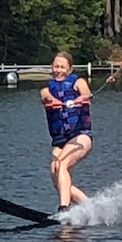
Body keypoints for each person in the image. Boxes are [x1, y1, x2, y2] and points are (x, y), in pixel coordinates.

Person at [40, 52, 93, 212]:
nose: (58, 70)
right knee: (57, 178)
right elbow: (46, 97)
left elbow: (86, 93)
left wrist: (81, 99)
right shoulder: (45, 89)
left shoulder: (79, 82)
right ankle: (91, 208)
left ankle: (64, 208)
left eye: (62, 67)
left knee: (61, 164)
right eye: (56, 66)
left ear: (70, 69)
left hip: (81, 136)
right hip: (60, 141)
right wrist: (53, 102)